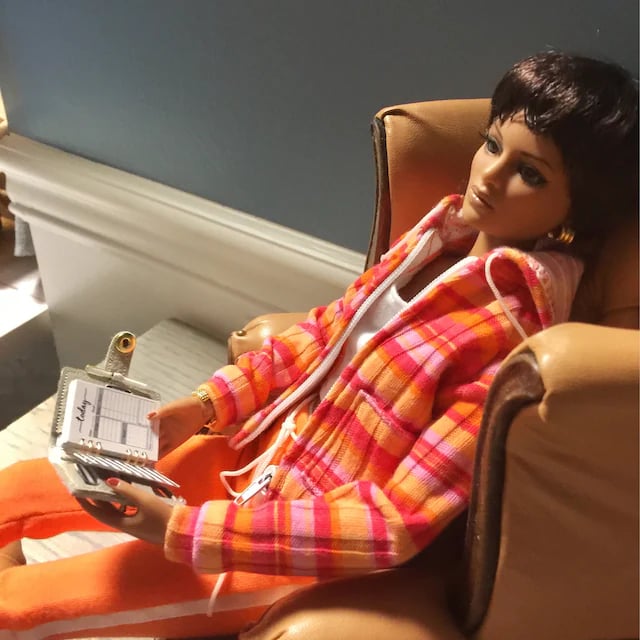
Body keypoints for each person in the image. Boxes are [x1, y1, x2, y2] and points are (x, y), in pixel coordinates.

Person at [0, 51, 637, 639]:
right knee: (18, 491)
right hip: (257, 462)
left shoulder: (509, 337)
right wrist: (207, 405)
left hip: (297, 547)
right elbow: (321, 335)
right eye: (492, 144)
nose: (490, 176)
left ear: (573, 212)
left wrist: (182, 528)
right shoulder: (433, 240)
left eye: (529, 173)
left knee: (28, 605)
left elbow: (398, 519)